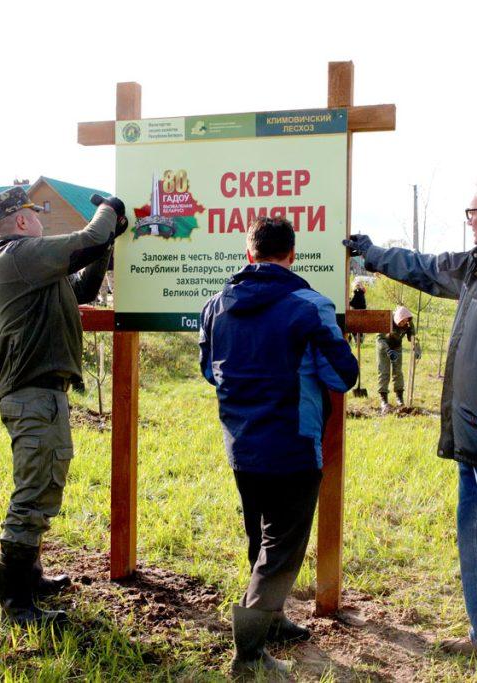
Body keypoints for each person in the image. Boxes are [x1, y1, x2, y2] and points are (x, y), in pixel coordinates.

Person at [344, 172, 477, 682]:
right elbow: (422, 267)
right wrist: (371, 252)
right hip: (473, 442)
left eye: (471, 213)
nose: (466, 221)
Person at [199, 216, 358, 677]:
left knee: (261, 537)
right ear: (292, 254)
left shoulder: (215, 306)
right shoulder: (309, 306)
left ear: (249, 253)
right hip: (292, 445)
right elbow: (342, 376)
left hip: (241, 444)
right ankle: (248, 658)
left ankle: (274, 618)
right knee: (281, 549)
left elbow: (210, 371)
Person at [0, 186, 127, 625]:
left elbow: (83, 286)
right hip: (33, 393)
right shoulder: (18, 255)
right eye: (35, 211)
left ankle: (30, 577)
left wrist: (108, 242)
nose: (40, 217)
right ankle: (15, 601)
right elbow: (83, 241)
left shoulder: (30, 265)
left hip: (40, 392)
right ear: (23, 221)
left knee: (43, 484)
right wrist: (110, 210)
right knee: (34, 492)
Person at [375, 305, 420, 412]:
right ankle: (384, 400)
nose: (402, 324)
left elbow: (413, 337)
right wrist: (388, 351)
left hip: (397, 346)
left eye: (405, 322)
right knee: (384, 371)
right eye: (400, 322)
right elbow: (379, 338)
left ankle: (399, 397)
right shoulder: (387, 320)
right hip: (383, 346)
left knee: (398, 371)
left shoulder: (409, 323)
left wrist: (417, 348)